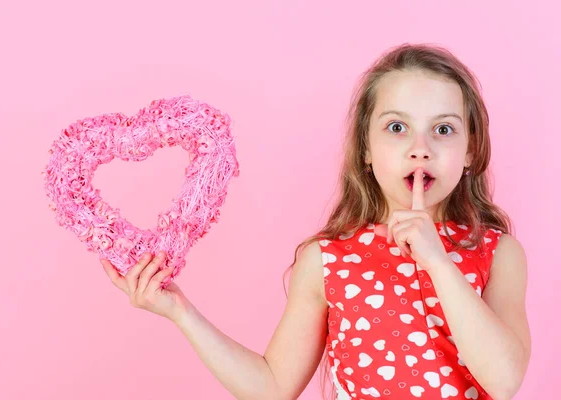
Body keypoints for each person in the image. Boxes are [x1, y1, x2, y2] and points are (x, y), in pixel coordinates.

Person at [100, 43, 531, 400]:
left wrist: (439, 263)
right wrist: (180, 312)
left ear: (471, 151)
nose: (420, 149)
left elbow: (504, 379)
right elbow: (272, 387)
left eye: (443, 130)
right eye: (397, 128)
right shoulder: (327, 260)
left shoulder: (496, 254)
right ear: (366, 148)